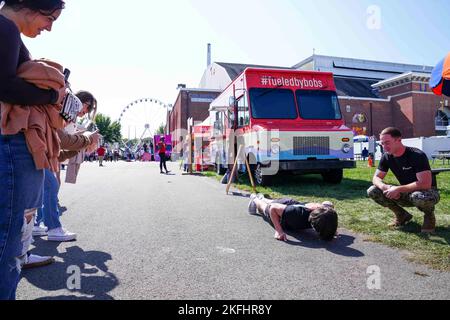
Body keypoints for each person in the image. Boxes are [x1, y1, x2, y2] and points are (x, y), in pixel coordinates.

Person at [0, 0, 66, 300]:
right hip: (12, 143)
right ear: (27, 5)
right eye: (49, 17)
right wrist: (52, 93)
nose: (49, 27)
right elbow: (4, 86)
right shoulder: (6, 28)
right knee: (10, 237)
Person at [367, 127, 440, 233]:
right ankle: (402, 215)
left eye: (387, 142)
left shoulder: (416, 155)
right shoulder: (387, 157)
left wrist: (398, 189)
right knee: (373, 190)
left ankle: (429, 217)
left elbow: (425, 184)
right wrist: (386, 187)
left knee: (418, 196)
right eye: (382, 143)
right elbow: (376, 178)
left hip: (428, 192)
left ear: (399, 140)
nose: (385, 147)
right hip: (406, 192)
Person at [248, 194, 338, 242]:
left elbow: (328, 204)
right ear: (313, 223)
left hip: (291, 204)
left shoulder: (327, 212)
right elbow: (273, 208)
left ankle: (263, 197)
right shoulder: (296, 214)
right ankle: (255, 198)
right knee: (265, 207)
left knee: (271, 201)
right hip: (280, 214)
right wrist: (279, 231)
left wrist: (330, 229)